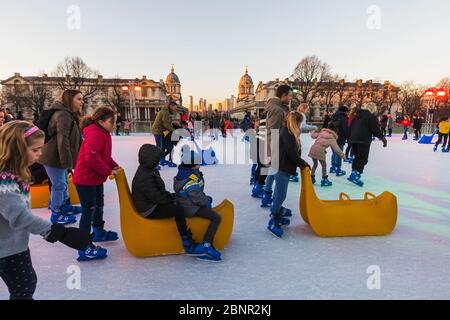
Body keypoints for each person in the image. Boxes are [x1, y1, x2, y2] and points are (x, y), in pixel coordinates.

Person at [0, 121, 91, 300]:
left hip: (13, 244)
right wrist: (59, 232)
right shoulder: (5, 180)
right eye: (35, 150)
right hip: (7, 249)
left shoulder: (15, 174)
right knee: (24, 287)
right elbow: (19, 217)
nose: (40, 154)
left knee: (26, 285)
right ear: (17, 149)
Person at [72, 107, 121, 261]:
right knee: (88, 211)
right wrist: (108, 171)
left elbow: (104, 156)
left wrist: (114, 165)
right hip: (85, 179)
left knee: (99, 205)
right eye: (111, 121)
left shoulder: (103, 133)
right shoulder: (95, 134)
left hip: (95, 178)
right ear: (101, 121)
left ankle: (98, 231)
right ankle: (84, 247)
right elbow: (91, 158)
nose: (114, 124)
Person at [131, 144, 198, 256]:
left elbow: (159, 192)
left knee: (177, 199)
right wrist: (171, 200)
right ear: (151, 160)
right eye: (157, 159)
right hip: (149, 209)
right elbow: (156, 197)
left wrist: (171, 196)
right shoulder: (145, 176)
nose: (159, 161)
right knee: (178, 209)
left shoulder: (149, 170)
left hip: (151, 203)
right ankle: (186, 239)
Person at [39, 90, 83, 225]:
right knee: (59, 185)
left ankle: (65, 206)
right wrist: (67, 162)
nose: (82, 102)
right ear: (70, 100)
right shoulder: (63, 115)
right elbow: (62, 140)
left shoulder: (68, 114)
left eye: (82, 99)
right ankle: (56, 213)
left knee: (63, 183)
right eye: (79, 99)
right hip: (53, 157)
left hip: (58, 156)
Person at [174, 148, 223, 261]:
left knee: (209, 207)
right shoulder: (190, 179)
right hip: (190, 208)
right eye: (197, 164)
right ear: (191, 166)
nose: (199, 166)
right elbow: (198, 199)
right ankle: (207, 245)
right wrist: (207, 200)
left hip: (187, 203)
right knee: (216, 217)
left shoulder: (184, 171)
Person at [267, 112, 310, 238]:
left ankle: (277, 212)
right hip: (281, 167)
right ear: (296, 123)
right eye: (300, 123)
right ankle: (273, 219)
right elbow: (292, 154)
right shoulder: (288, 134)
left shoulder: (288, 132)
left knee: (278, 193)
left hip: (281, 166)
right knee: (281, 195)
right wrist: (303, 164)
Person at [348, 103, 387, 187]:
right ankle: (356, 174)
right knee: (363, 158)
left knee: (357, 157)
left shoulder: (356, 116)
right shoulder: (371, 117)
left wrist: (350, 138)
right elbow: (375, 129)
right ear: (373, 109)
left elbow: (350, 127)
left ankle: (353, 173)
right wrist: (383, 138)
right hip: (363, 140)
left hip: (354, 140)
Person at [151, 101, 178, 167]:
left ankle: (162, 160)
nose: (175, 109)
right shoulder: (165, 112)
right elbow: (166, 124)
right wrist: (174, 131)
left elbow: (167, 123)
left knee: (162, 147)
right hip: (157, 131)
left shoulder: (166, 112)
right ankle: (157, 162)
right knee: (159, 147)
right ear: (171, 106)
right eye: (175, 107)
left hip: (160, 131)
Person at [328, 105, 349, 176]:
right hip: (340, 137)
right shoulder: (343, 118)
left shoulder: (333, 116)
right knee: (339, 153)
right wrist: (348, 136)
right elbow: (346, 129)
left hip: (332, 137)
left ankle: (333, 167)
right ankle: (338, 169)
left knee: (334, 152)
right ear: (345, 111)